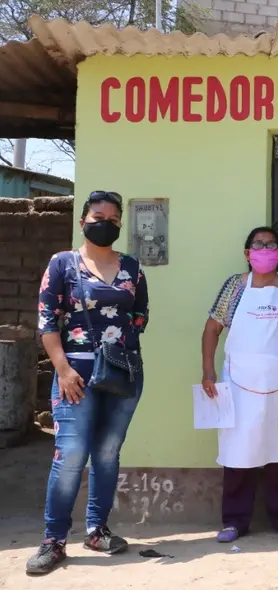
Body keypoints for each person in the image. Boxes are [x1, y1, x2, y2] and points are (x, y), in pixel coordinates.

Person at [26, 191, 150, 576]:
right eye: (98, 217)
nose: (105, 224)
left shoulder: (132, 267)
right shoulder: (62, 264)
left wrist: (116, 349)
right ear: (82, 222)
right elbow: (47, 321)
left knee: (108, 453)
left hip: (122, 373)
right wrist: (63, 369)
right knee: (70, 455)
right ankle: (54, 540)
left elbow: (141, 315)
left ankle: (97, 530)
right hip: (74, 376)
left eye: (113, 219)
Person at [200, 226, 278, 543]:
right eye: (258, 245)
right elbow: (212, 329)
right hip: (240, 381)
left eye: (271, 245)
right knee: (238, 449)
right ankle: (234, 521)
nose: (265, 250)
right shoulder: (235, 286)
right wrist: (207, 372)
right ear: (247, 253)